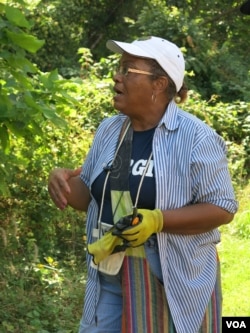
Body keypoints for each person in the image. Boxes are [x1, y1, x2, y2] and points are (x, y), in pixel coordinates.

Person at [48, 36, 238, 333]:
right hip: (111, 270)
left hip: (172, 277)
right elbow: (95, 198)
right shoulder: (110, 130)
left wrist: (159, 220)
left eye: (127, 69)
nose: (116, 76)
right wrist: (63, 182)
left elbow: (223, 208)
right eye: (119, 67)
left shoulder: (195, 137)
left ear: (159, 84)